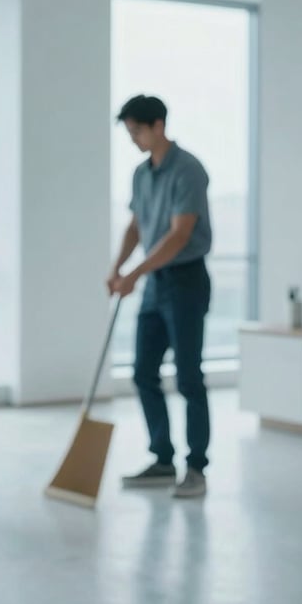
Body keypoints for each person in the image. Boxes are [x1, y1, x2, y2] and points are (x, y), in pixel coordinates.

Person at [107, 94, 212, 499]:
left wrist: (134, 273)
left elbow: (179, 234)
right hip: (154, 282)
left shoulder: (188, 170)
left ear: (158, 126)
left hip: (185, 280)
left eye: (136, 131)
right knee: (142, 372)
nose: (133, 138)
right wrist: (117, 267)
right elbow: (137, 226)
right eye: (130, 132)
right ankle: (162, 458)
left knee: (189, 378)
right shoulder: (141, 173)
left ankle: (196, 468)